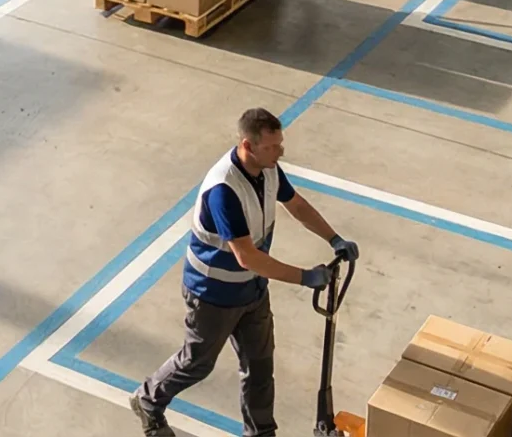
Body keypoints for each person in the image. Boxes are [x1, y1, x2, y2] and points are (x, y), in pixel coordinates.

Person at [131, 108, 354, 437]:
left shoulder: (269, 170)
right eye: (272, 146)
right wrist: (304, 277)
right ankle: (149, 400)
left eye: (280, 144)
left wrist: (333, 237)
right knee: (197, 363)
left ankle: (261, 433)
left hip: (252, 291)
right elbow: (247, 256)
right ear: (248, 146)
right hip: (213, 295)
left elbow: (297, 205)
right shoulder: (224, 189)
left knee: (260, 367)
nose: (281, 152)